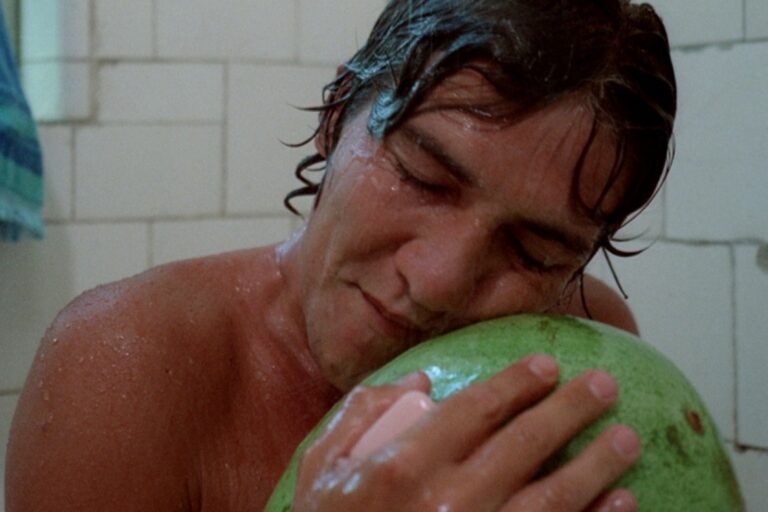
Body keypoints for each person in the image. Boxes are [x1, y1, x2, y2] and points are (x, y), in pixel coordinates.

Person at [6, 0, 676, 510]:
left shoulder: (581, 362)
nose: (438, 281)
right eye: (422, 177)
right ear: (336, 116)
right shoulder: (129, 372)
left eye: (532, 252)